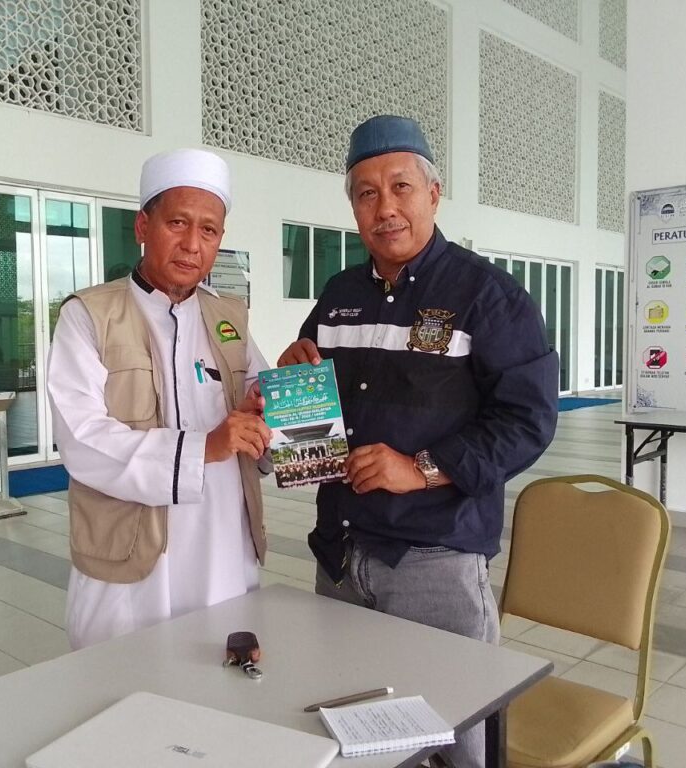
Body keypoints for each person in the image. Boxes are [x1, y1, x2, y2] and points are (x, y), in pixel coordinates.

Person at [278, 115, 559, 768]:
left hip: (435, 561)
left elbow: (528, 419)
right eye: (366, 193)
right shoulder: (339, 295)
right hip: (341, 554)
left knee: (459, 740)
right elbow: (313, 415)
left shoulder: (488, 297)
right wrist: (296, 382)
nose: (385, 207)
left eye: (400, 187)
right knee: (356, 733)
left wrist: (423, 468)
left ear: (433, 194)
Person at [48, 148, 272, 650]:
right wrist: (203, 448)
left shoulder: (229, 317)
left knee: (221, 678)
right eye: (178, 223)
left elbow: (262, 406)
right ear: (142, 227)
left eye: (209, 230)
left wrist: (280, 397)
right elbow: (82, 438)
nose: (193, 244)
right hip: (132, 561)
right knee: (128, 681)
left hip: (223, 549)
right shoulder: (89, 316)